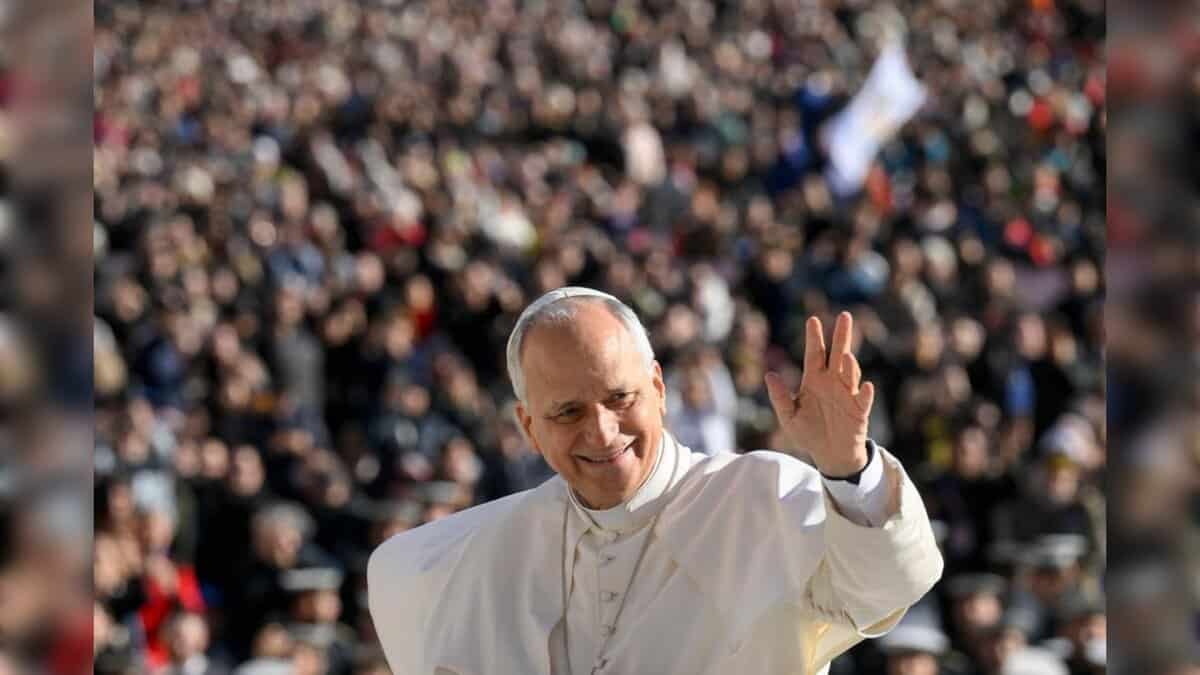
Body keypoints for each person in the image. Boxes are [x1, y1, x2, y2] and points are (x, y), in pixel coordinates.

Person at [365, 285, 944, 674]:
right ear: (529, 426)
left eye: (620, 398)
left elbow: (890, 583)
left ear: (660, 389)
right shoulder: (479, 553)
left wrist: (847, 468)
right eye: (567, 412)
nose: (601, 432)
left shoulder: (761, 496)